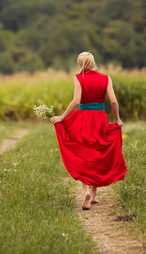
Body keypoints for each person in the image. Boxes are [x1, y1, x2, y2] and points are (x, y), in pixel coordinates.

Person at [50, 51, 127, 210]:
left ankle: (85, 191)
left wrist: (63, 117)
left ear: (80, 64)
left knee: (83, 153)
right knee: (96, 152)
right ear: (93, 63)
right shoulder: (106, 78)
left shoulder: (79, 78)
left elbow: (77, 101)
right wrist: (117, 119)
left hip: (82, 118)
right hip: (99, 119)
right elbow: (113, 100)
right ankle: (94, 196)